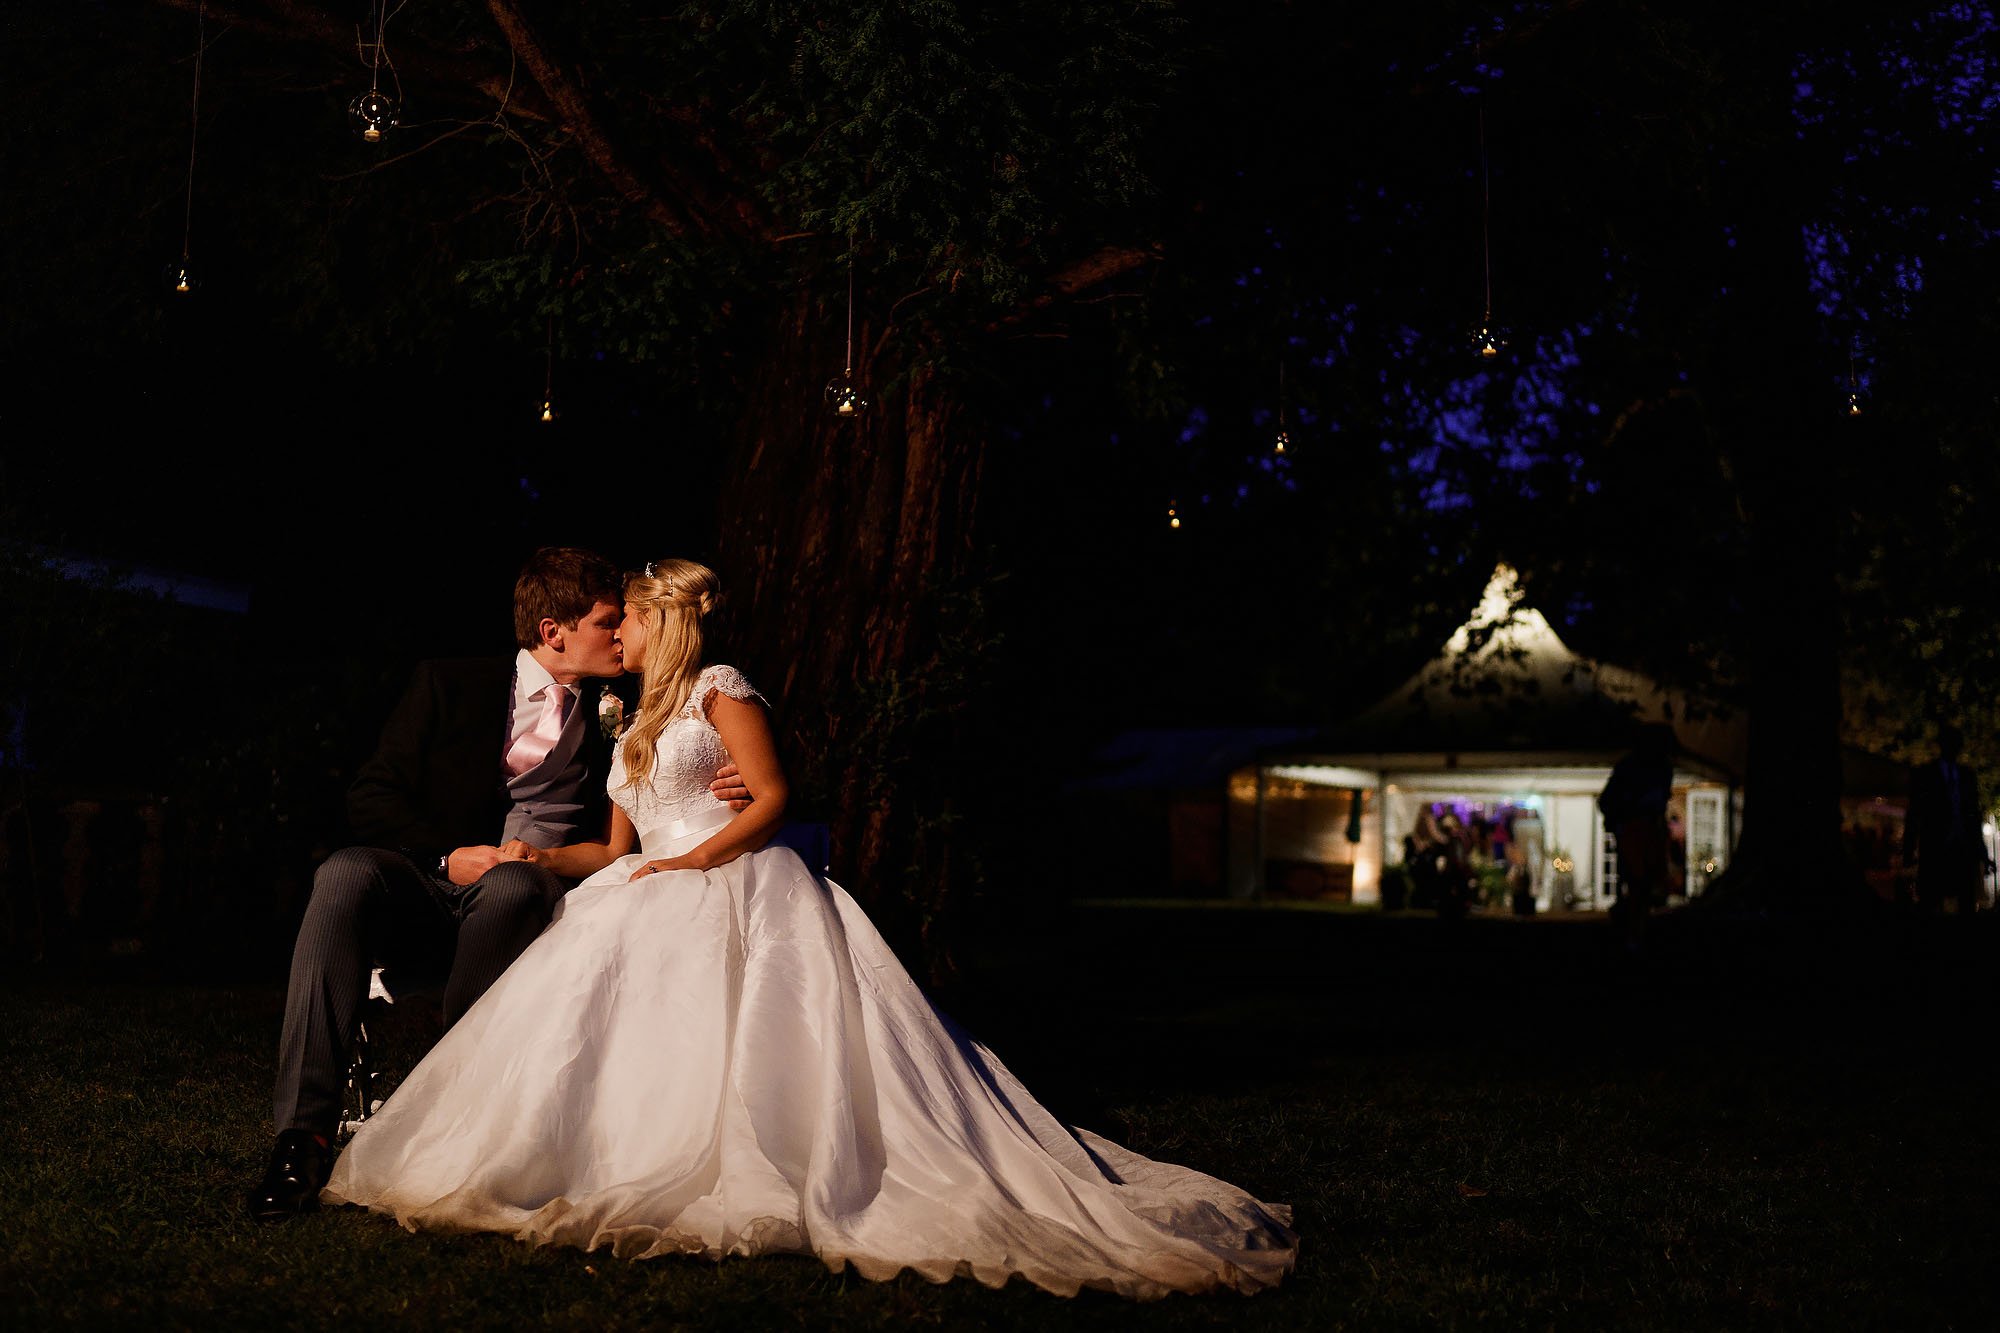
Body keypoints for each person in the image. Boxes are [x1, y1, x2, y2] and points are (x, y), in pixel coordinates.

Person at [321, 559, 1298, 1299]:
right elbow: (613, 846)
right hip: (645, 878)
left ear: (664, 620)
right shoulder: (631, 718)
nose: (618, 633)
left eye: (629, 618)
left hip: (731, 877)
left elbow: (773, 794)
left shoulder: (722, 685)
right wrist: (538, 859)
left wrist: (697, 859)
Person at [250, 547, 751, 1222]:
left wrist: (734, 777)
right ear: (553, 632)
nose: (621, 634)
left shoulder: (633, 704)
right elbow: (369, 795)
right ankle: (301, 1137)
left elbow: (708, 757)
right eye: (607, 621)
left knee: (513, 886)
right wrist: (444, 857)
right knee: (343, 872)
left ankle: (449, 1117)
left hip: (533, 895)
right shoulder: (448, 682)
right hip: (433, 885)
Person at [1902, 723, 1992, 916]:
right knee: (1931, 902)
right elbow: (1914, 814)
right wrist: (1908, 849)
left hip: (1961, 849)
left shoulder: (1966, 776)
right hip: (1936, 848)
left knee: (1964, 903)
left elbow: (1973, 817)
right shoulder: (1926, 774)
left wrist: (1982, 853)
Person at [1598, 724, 1675, 949]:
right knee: (1637, 880)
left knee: (1644, 881)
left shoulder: (1660, 767)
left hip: (1644, 829)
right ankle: (1633, 930)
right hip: (1633, 828)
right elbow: (1609, 801)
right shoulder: (1633, 768)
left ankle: (1636, 929)